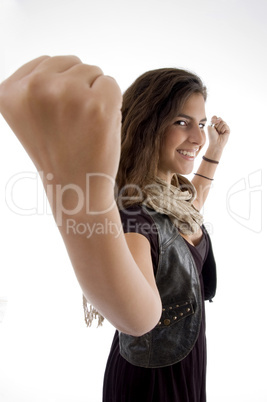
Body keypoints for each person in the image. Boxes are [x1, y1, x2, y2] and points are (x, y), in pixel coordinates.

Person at [0, 56, 230, 402]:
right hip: (153, 381)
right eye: (182, 122)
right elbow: (138, 318)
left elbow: (189, 212)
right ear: (148, 125)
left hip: (186, 360)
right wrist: (74, 190)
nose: (197, 136)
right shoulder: (135, 215)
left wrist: (215, 151)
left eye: (201, 123)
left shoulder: (170, 195)